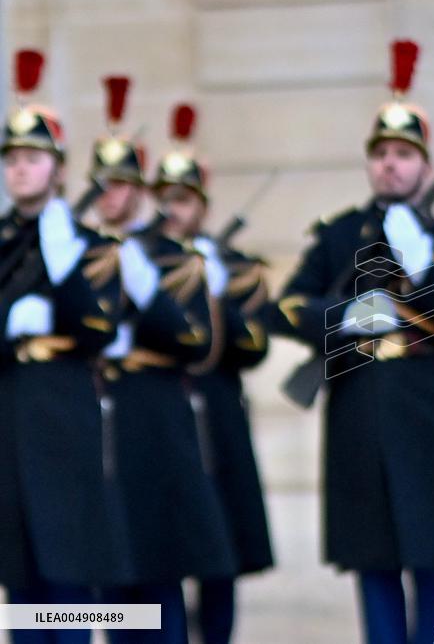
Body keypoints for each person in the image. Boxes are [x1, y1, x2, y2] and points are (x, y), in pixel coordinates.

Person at [269, 39, 434, 644]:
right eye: (381, 155)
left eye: (404, 154)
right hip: (360, 410)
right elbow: (288, 308)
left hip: (433, 408)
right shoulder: (341, 233)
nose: (391, 165)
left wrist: (424, 270)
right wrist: (352, 314)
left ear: (425, 165)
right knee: (373, 568)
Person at [0, 48, 132, 644]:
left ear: (57, 169)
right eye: (12, 160)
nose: (20, 170)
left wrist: (64, 267)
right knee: (19, 578)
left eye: (33, 159)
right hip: (10, 417)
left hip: (64, 417)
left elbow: (102, 329)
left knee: (68, 574)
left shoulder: (89, 245)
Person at [96, 101, 237, 644]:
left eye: (121, 184)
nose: (111, 196)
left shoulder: (177, 258)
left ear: (138, 190)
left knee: (159, 571)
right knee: (109, 574)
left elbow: (197, 342)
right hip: (99, 416)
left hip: (154, 416)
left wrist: (148, 293)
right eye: (102, 185)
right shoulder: (78, 250)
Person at [157, 140, 275, 643]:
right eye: (163, 197)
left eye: (183, 199)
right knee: (162, 547)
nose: (172, 210)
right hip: (162, 416)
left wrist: (217, 290)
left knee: (221, 547)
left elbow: (253, 345)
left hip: (219, 414)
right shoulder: (141, 260)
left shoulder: (236, 266)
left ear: (202, 206)